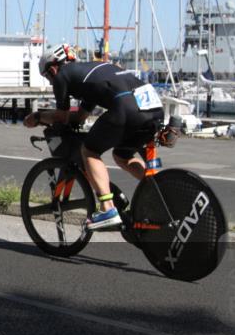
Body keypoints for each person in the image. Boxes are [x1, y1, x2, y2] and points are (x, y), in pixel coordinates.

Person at [23, 44, 165, 230]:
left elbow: (62, 117)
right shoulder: (92, 73)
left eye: (47, 76)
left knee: (89, 151)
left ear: (53, 67)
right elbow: (80, 116)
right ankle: (161, 193)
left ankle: (108, 209)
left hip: (126, 107)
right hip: (154, 109)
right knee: (122, 156)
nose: (50, 81)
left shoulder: (61, 76)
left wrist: (38, 117)